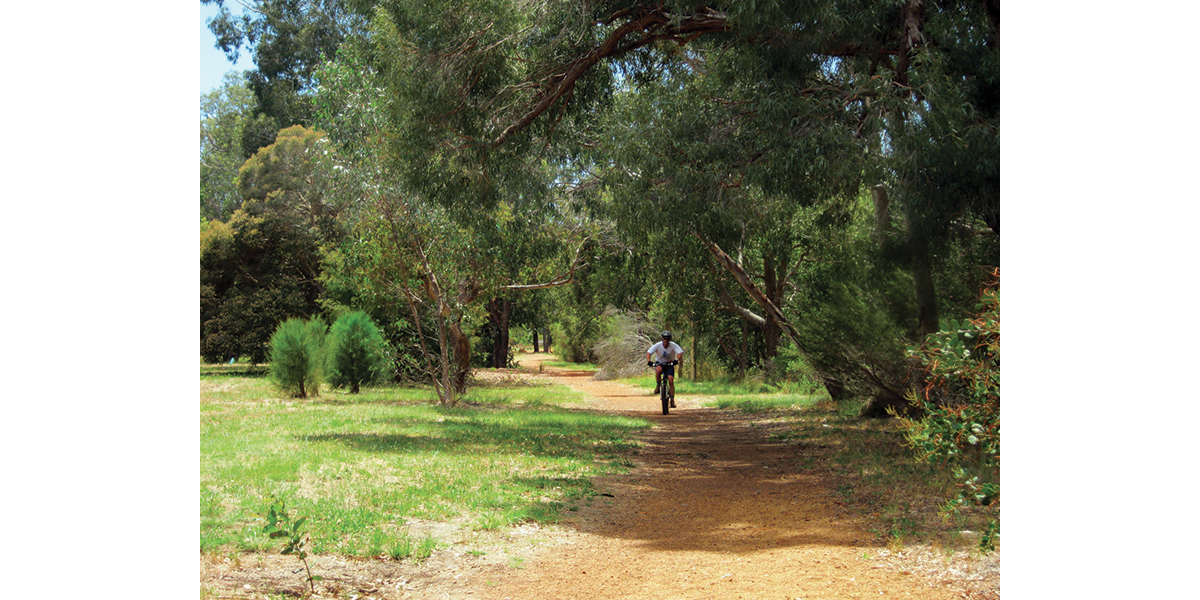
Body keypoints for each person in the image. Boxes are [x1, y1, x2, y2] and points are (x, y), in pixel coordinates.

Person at [647, 331, 684, 408]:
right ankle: (658, 385)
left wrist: (676, 360)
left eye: (667, 339)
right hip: (660, 363)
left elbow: (680, 353)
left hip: (669, 364)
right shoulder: (658, 345)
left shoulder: (673, 345)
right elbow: (649, 352)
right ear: (662, 339)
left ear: (669, 339)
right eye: (664, 339)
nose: (666, 340)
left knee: (670, 380)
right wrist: (649, 361)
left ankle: (672, 400)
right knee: (658, 370)